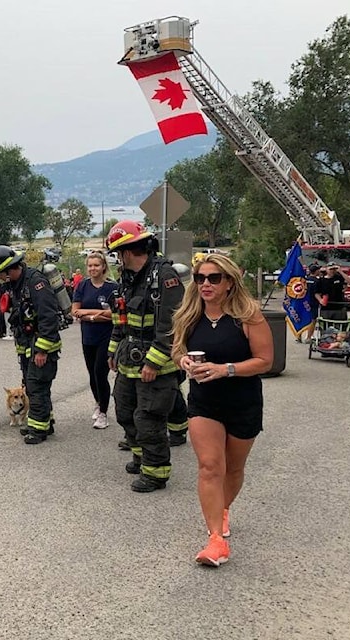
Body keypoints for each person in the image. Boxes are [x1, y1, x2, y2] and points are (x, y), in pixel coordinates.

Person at [173, 253, 273, 567]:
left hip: (242, 401)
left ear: (229, 282)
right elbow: (177, 349)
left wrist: (225, 369)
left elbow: (265, 361)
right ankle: (215, 539)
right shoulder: (189, 314)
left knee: (233, 468)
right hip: (204, 401)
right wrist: (184, 361)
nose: (205, 284)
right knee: (210, 467)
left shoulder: (248, 315)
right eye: (200, 278)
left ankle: (224, 509)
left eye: (213, 278)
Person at [105, 220, 184, 492]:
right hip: (129, 358)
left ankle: (156, 473)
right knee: (124, 411)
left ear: (127, 251)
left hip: (156, 366)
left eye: (118, 254)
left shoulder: (164, 277)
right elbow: (121, 318)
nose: (118, 259)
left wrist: (154, 360)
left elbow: (172, 324)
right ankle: (141, 457)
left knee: (149, 418)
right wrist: (113, 350)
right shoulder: (128, 279)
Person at [0, 245, 61, 445]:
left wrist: (42, 349)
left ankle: (37, 430)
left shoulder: (36, 283)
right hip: (28, 347)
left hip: (41, 347)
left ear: (9, 270)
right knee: (34, 386)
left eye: (0, 275)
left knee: (36, 388)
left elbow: (48, 316)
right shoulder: (17, 285)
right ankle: (46, 422)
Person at [71, 251, 116, 430]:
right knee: (91, 374)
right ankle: (98, 402)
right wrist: (96, 315)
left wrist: (87, 313)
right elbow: (75, 311)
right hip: (88, 336)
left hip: (107, 336)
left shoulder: (112, 287)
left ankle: (104, 413)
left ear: (103, 266)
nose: (93, 269)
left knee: (100, 372)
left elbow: (114, 314)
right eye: (90, 266)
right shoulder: (82, 286)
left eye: (96, 265)